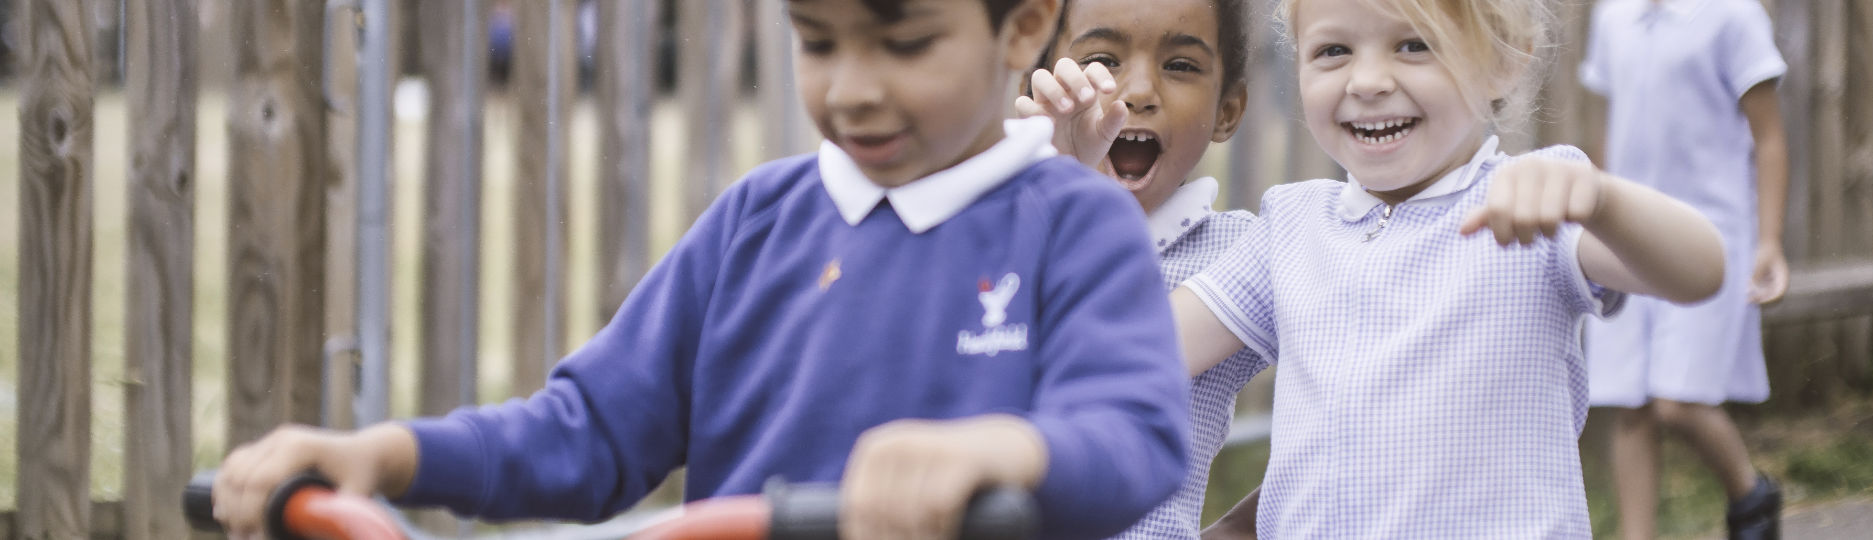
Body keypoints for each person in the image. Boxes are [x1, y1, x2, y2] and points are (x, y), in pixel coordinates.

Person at [210, 1, 1193, 539]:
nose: (851, 88)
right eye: (817, 42)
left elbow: (1136, 439)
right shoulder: (759, 223)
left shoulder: (1074, 224)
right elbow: (590, 432)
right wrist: (388, 456)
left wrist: (1006, 451)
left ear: (1022, 28)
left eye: (904, 42)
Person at [1179, 0, 1729, 536]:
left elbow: (1699, 271)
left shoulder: (1535, 199)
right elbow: (1146, 345)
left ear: (1503, 60)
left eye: (1414, 45)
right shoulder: (1291, 227)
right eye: (1334, 50)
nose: (1367, 80)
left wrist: (1602, 201)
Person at [1016, 0, 1268, 537]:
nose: (1139, 91)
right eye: (1103, 60)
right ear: (1035, 80)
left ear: (1228, 108)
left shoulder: (1244, 252)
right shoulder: (991, 230)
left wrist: (1235, 532)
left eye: (1180, 65)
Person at [1579, 0, 1791, 538]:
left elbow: (1768, 138)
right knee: (1630, 405)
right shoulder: (1614, 17)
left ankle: (1749, 491)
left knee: (1677, 403)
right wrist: (1602, 216)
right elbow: (1613, 127)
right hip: (1628, 237)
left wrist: (1769, 241)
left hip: (1710, 237)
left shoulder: (1732, 16)